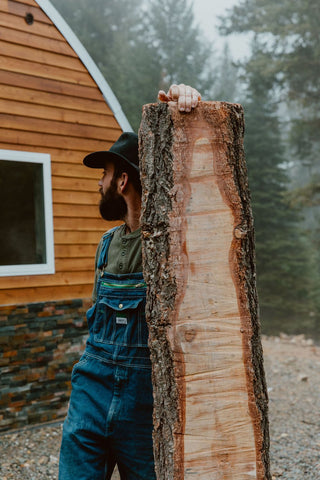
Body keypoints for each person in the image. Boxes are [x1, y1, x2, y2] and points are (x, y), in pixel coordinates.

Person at [58, 84, 201, 480]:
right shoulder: (105, 246)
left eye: (103, 174)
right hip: (89, 393)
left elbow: (200, 186)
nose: (98, 184)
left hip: (146, 405)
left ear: (122, 181)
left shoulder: (172, 244)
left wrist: (187, 107)